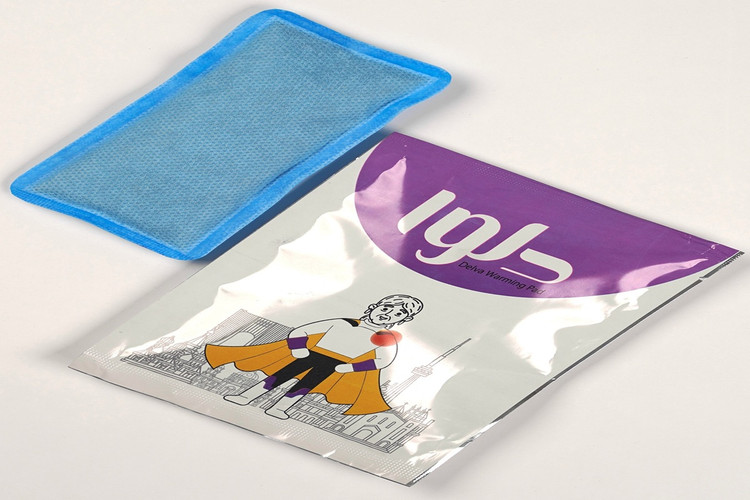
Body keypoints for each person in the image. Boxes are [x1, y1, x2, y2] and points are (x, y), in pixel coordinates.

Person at [204, 294, 423, 419]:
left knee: (306, 386)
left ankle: (279, 407)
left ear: (402, 320)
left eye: (397, 314)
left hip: (337, 364)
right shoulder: (343, 322)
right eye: (386, 308)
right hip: (310, 354)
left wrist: (351, 368)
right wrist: (298, 348)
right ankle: (246, 396)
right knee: (278, 377)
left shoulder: (385, 339)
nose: (387, 314)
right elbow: (301, 331)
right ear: (374, 307)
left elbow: (383, 361)